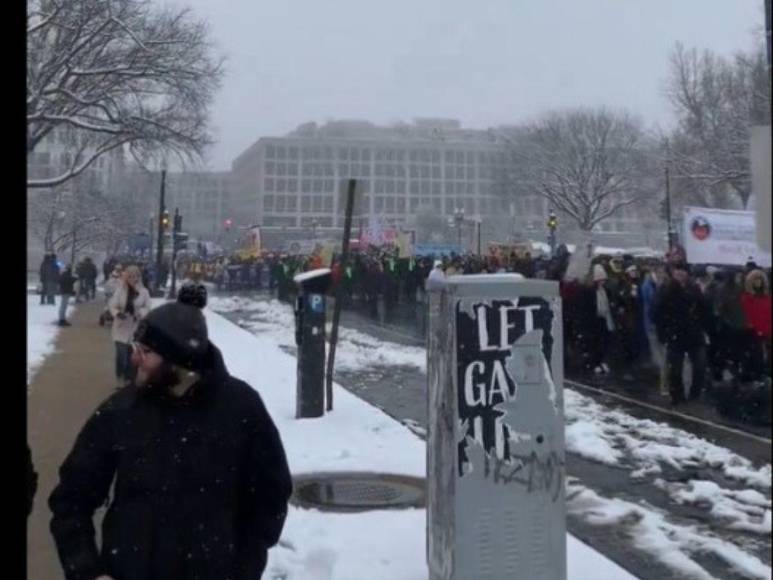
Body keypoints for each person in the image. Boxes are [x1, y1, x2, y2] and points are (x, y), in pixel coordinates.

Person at [49, 302, 292, 580]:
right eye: (136, 348)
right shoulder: (121, 411)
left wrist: (245, 566)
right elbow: (71, 498)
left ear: (180, 360)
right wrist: (87, 571)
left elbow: (270, 497)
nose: (135, 359)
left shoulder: (241, 408)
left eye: (147, 352)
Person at [653, 263, 711, 404]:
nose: (680, 274)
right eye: (677, 271)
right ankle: (677, 396)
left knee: (700, 366)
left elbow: (704, 310)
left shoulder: (694, 289)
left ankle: (694, 394)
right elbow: (657, 313)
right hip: (675, 333)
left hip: (694, 333)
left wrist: (704, 327)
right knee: (675, 370)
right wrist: (664, 333)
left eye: (682, 271)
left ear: (687, 273)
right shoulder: (666, 290)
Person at [108, 265, 151, 388]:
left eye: (135, 276)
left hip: (135, 328)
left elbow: (147, 307)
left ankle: (129, 380)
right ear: (126, 277)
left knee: (132, 357)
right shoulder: (120, 290)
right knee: (121, 356)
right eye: (130, 276)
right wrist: (117, 313)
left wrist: (140, 313)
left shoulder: (144, 291)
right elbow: (112, 305)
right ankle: (120, 377)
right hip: (120, 327)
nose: (133, 278)